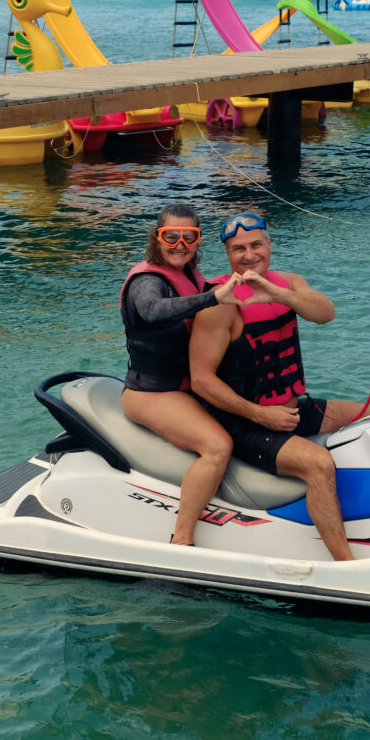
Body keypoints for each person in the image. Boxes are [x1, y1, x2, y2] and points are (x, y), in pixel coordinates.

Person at [189, 211, 370, 562]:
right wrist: (262, 415)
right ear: (227, 254)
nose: (249, 254)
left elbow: (325, 313)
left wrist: (277, 293)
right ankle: (346, 565)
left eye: (256, 244)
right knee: (318, 464)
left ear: (270, 245)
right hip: (244, 422)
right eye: (238, 248)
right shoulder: (220, 303)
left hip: (291, 409)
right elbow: (202, 380)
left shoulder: (287, 283)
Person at [120, 204, 243, 546]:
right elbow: (152, 310)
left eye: (189, 237)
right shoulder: (147, 282)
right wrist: (213, 298)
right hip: (151, 394)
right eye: (170, 236)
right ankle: (182, 539)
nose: (180, 244)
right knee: (218, 447)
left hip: (186, 389)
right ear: (156, 238)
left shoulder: (191, 276)